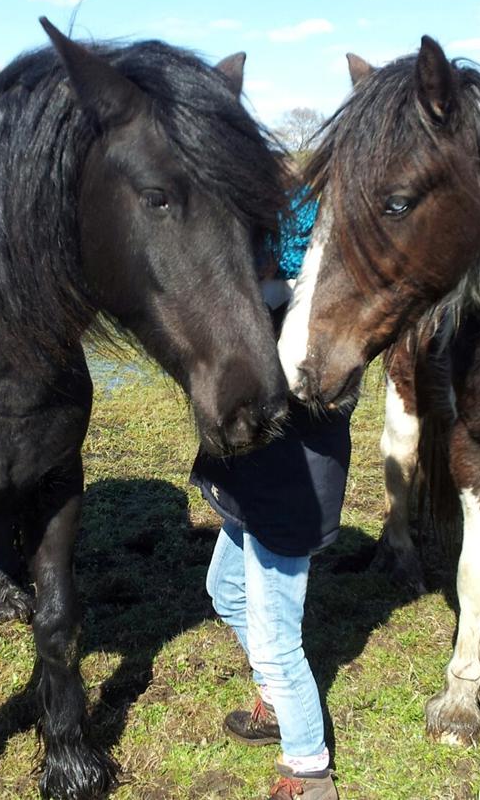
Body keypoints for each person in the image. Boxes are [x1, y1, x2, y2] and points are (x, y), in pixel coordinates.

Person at [191, 172, 350, 800]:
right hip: (253, 489)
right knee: (223, 587)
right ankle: (275, 694)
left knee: (279, 642)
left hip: (288, 498)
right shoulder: (258, 306)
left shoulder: (315, 331)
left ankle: (308, 771)